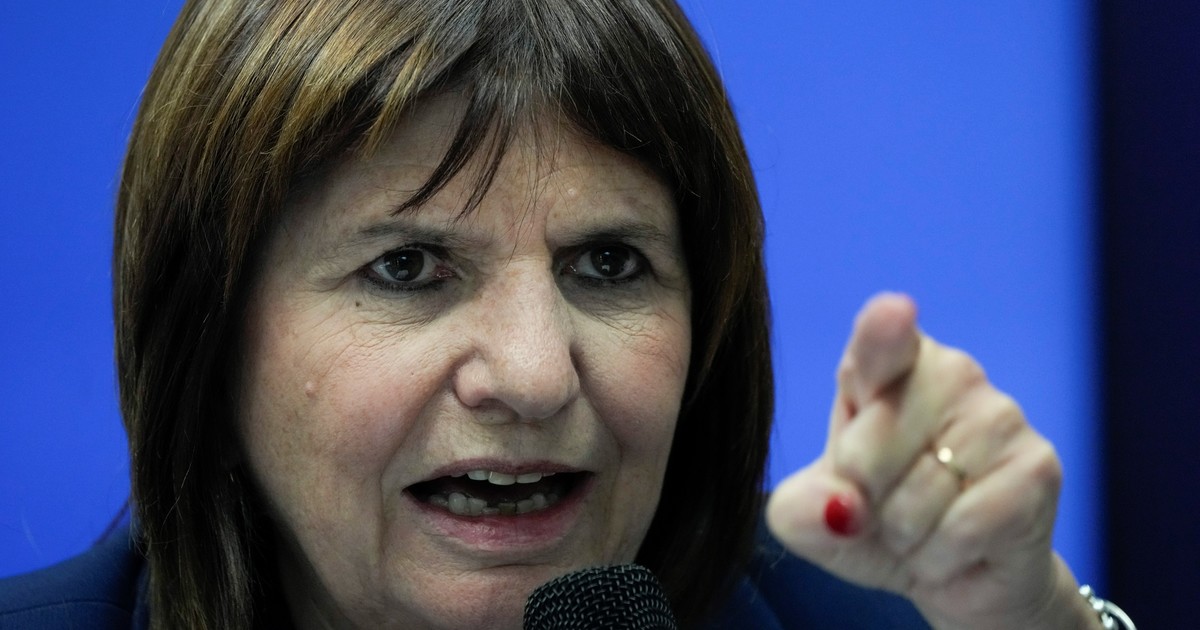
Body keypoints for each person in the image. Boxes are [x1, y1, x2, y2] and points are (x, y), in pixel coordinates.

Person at [0, 0, 1131, 628]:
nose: (537, 374)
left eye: (607, 263)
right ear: (210, 339)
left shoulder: (876, 619)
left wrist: (1036, 620)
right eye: (408, 267)